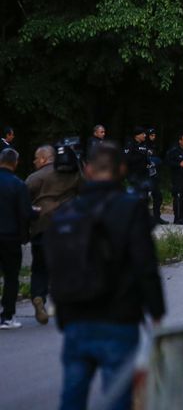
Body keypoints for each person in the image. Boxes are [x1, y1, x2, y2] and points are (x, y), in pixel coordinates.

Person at [46, 142, 165, 410]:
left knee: (72, 396)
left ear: (87, 170)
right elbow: (145, 265)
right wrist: (156, 311)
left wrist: (64, 313)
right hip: (118, 317)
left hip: (76, 318)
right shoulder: (130, 208)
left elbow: (55, 264)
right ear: (121, 169)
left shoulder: (67, 212)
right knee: (116, 397)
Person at [25, 145, 81, 325]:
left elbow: (23, 200)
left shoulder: (35, 178)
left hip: (42, 227)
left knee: (39, 268)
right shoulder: (72, 174)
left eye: (35, 159)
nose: (34, 162)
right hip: (66, 227)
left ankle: (38, 297)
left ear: (43, 159)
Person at [0, 149, 32, 329]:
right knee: (11, 277)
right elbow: (25, 212)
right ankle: (7, 316)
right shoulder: (18, 184)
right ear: (15, 163)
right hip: (10, 236)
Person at [165, 134, 183, 224]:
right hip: (177, 178)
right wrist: (179, 164)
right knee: (178, 198)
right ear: (180, 141)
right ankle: (177, 218)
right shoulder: (174, 151)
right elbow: (168, 162)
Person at [145, 128, 167, 224]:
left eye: (154, 135)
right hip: (145, 176)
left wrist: (155, 161)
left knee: (158, 196)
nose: (153, 137)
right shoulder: (143, 146)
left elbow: (159, 159)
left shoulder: (155, 146)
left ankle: (156, 217)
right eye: (151, 135)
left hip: (154, 175)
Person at [123, 126, 150, 199]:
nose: (145, 135)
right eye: (143, 134)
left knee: (145, 196)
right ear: (137, 135)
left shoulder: (144, 145)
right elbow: (126, 159)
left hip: (144, 175)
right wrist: (140, 157)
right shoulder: (130, 144)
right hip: (134, 175)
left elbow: (146, 158)